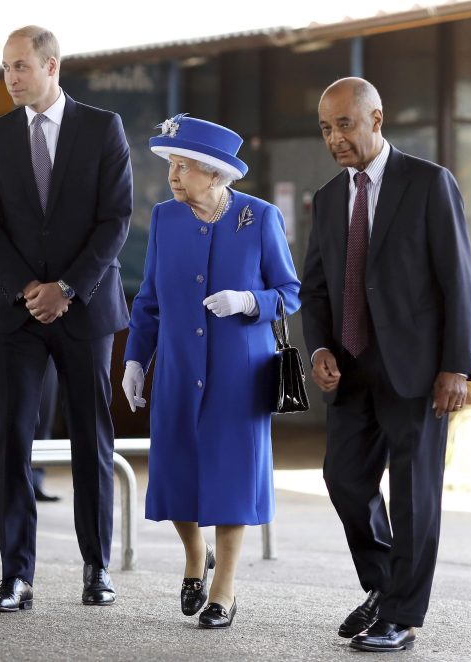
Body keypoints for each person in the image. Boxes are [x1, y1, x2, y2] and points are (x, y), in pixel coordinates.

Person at [300, 77, 471, 652]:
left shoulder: (428, 184)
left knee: (414, 495)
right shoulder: (328, 198)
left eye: (344, 125)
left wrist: (458, 365)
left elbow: (458, 280)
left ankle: (402, 615)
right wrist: (322, 347)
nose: (335, 139)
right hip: (352, 368)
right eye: (326, 129)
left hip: (420, 370)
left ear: (376, 119)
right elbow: (318, 286)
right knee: (344, 479)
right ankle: (383, 586)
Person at [0, 26, 132, 613]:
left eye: (20, 66)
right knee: (13, 439)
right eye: (5, 67)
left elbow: (116, 219)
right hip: (16, 314)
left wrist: (66, 287)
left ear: (51, 65)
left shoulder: (101, 128)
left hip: (84, 308)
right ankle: (16, 575)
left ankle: (96, 569)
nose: (11, 77)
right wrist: (28, 289)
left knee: (90, 436)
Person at [121, 115, 301, 629]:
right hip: (179, 366)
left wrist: (249, 301)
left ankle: (224, 589)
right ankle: (194, 556)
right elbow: (150, 298)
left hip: (238, 371)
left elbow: (290, 293)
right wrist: (137, 358)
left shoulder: (258, 217)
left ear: (217, 174)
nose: (173, 176)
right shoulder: (165, 218)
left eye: (185, 167)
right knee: (178, 467)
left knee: (232, 475)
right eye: (172, 165)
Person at [0, 356, 61, 502]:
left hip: (54, 342)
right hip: (19, 338)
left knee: (44, 408)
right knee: (10, 409)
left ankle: (35, 480)